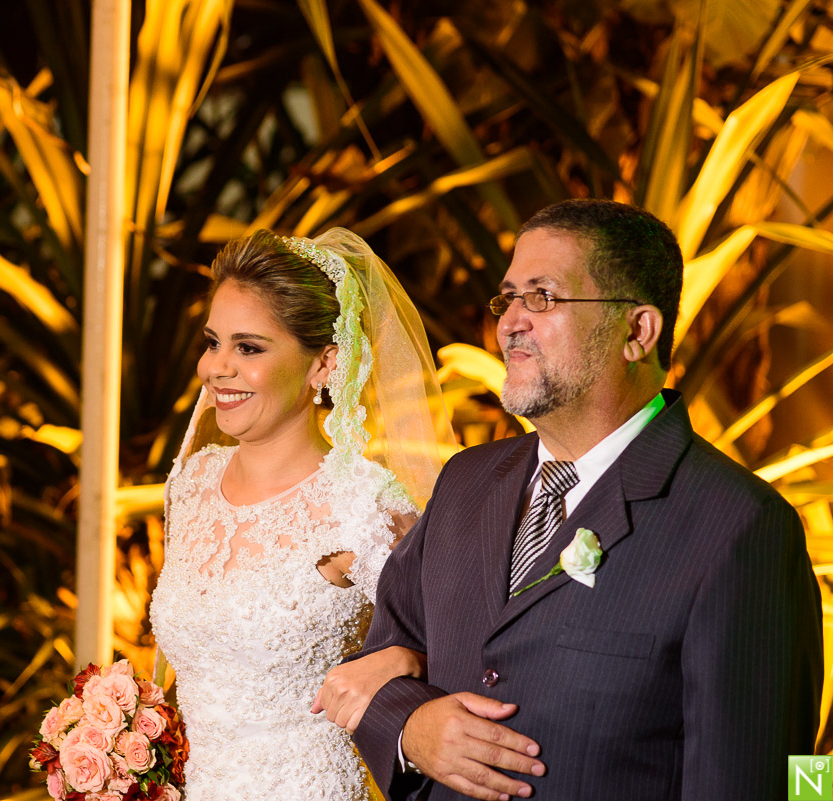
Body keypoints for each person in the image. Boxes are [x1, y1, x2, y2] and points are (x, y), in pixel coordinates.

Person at [316, 199, 823, 801]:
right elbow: (384, 655)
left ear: (637, 332)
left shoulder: (743, 527)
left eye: (542, 297)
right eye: (508, 298)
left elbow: (775, 780)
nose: (510, 323)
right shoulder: (464, 482)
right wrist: (410, 729)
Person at [149, 228, 456, 800]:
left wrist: (403, 658)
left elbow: (458, 643)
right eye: (213, 342)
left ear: (323, 364)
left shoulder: (361, 505)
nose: (217, 367)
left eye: (249, 348)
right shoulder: (192, 483)